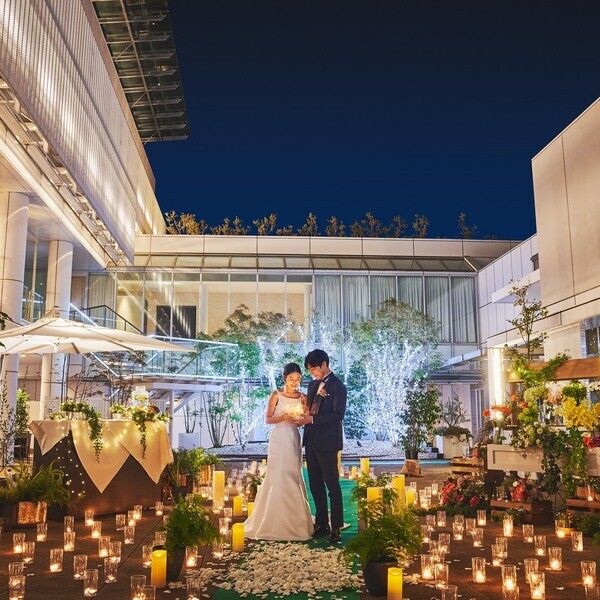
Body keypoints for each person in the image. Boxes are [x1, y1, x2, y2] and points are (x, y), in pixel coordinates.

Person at [243, 362, 314, 541]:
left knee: (293, 472)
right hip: (279, 437)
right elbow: (268, 419)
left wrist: (299, 419)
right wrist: (283, 417)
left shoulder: (303, 397)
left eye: (298, 379)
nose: (295, 382)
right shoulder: (276, 395)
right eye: (291, 379)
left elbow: (306, 418)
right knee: (278, 473)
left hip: (294, 436)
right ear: (285, 378)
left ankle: (296, 520)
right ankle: (273, 519)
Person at [302, 349, 347, 544]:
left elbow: (338, 415)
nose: (312, 373)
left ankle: (336, 526)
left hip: (328, 442)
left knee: (332, 485)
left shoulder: (338, 386)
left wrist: (312, 419)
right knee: (315, 484)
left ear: (324, 364)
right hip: (311, 440)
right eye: (310, 370)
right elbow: (308, 408)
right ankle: (321, 523)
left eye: (314, 369)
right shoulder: (312, 385)